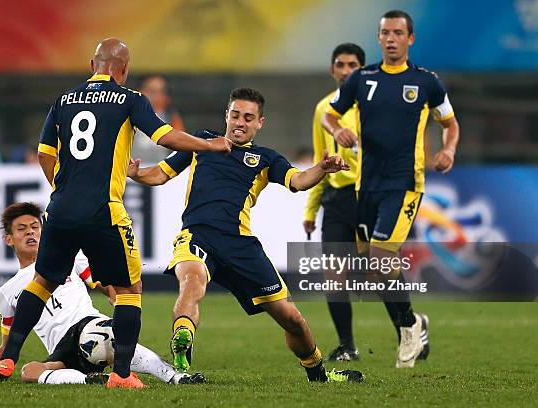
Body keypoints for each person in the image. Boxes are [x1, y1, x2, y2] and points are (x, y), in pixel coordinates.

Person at [0, 38, 231, 389]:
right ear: (125, 70)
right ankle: (121, 375)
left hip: (61, 209)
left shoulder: (62, 100)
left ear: (92, 65)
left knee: (42, 282)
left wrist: (65, 190)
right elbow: (164, 137)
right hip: (105, 210)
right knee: (130, 289)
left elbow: (43, 153)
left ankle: (8, 359)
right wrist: (209, 144)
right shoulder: (130, 99)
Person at [128, 87, 363, 383]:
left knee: (293, 321)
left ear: (260, 122)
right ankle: (182, 348)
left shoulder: (265, 159)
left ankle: (318, 373)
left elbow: (299, 181)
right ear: (226, 115)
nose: (240, 122)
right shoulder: (202, 142)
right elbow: (161, 173)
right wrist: (137, 174)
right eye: (235, 115)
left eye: (248, 118)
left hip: (241, 246)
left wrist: (321, 168)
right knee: (191, 280)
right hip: (198, 236)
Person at [322, 10, 460, 368]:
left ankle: (409, 329)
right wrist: (337, 130)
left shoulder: (427, 82)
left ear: (410, 39)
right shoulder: (362, 79)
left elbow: (450, 123)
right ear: (379, 37)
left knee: (383, 259)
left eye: (398, 33)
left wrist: (448, 149)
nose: (391, 38)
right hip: (366, 186)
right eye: (385, 33)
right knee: (376, 268)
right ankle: (413, 322)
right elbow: (330, 114)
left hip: (404, 184)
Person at [0, 202, 204, 385]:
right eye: (22, 229)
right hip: (61, 348)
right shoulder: (7, 292)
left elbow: (104, 283)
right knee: (29, 372)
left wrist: (118, 299)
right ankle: (88, 379)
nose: (31, 233)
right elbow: (7, 344)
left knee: (104, 335)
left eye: (35, 227)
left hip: (86, 325)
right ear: (9, 239)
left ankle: (175, 377)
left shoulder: (69, 258)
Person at [303, 43, 364, 362]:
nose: (345, 71)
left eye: (352, 65)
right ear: (332, 70)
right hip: (337, 199)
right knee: (334, 274)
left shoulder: (372, 106)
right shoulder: (323, 110)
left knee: (382, 271)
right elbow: (319, 160)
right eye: (340, 65)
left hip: (370, 197)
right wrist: (312, 208)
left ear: (362, 71)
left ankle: (407, 331)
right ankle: (348, 345)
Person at [133, 75, 186, 163]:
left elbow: (180, 146)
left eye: (161, 91)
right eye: (152, 91)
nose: (156, 96)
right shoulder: (128, 115)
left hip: (159, 170)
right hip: (130, 170)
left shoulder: (171, 116)